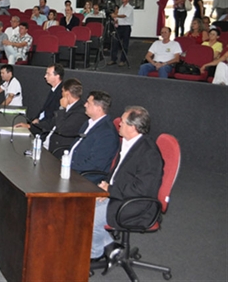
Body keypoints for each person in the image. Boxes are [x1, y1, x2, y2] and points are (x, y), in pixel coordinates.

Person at [90, 106, 163, 261]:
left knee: (90, 217)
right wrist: (106, 189)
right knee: (80, 206)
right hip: (120, 195)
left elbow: (142, 189)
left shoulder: (149, 154)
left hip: (136, 204)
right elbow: (117, 172)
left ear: (133, 127)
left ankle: (94, 254)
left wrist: (111, 190)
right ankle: (111, 247)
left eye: (122, 122)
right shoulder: (129, 142)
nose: (119, 124)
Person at [16, 78, 88, 157]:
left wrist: (62, 109)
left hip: (57, 151)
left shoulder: (80, 111)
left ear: (67, 94)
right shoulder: (68, 106)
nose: (61, 94)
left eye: (62, 91)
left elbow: (62, 129)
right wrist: (30, 126)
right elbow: (50, 123)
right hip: (45, 143)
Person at [68, 90, 119, 183]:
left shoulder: (107, 133)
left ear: (98, 108)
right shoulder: (88, 123)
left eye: (88, 103)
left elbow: (95, 164)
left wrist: (68, 167)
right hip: (72, 170)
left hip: (84, 178)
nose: (85, 105)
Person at [30, 63, 64, 127]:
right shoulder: (54, 90)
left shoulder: (61, 93)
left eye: (48, 74)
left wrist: (38, 123)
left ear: (57, 76)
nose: (45, 76)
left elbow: (52, 116)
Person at [108, 0, 134, 67]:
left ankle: (123, 60)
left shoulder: (129, 7)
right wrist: (116, 20)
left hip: (126, 27)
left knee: (125, 44)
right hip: (119, 27)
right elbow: (119, 17)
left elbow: (124, 16)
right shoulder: (121, 7)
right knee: (115, 43)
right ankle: (113, 59)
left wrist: (116, 15)